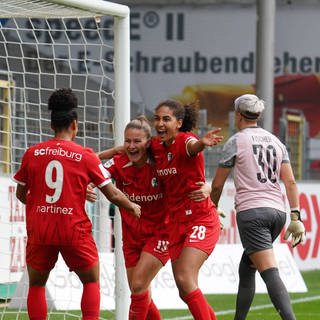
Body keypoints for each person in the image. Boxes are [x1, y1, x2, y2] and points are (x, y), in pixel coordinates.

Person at [13, 88, 141, 320]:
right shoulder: (85, 155)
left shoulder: (32, 153)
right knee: (90, 281)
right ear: (75, 124)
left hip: (41, 229)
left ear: (51, 125)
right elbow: (112, 194)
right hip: (73, 230)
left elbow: (21, 194)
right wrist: (132, 206)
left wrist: (42, 206)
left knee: (37, 285)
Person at [86, 116, 212, 320]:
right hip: (131, 237)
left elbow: (188, 180)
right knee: (140, 291)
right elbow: (91, 171)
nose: (131, 146)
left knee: (138, 285)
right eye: (128, 141)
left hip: (161, 232)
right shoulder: (118, 162)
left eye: (137, 141)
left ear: (149, 143)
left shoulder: (160, 164)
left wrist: (206, 188)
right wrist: (89, 185)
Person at [210, 94, 306, 320]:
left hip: (252, 213)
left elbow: (217, 184)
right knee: (247, 267)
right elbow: (290, 181)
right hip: (277, 213)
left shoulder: (236, 141)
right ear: (258, 115)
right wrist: (295, 216)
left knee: (269, 272)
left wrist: (212, 208)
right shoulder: (276, 142)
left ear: (238, 115)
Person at [151, 99, 223, 320]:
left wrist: (202, 143)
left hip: (200, 219)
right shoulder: (155, 146)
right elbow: (129, 149)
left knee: (184, 278)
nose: (160, 123)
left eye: (166, 119)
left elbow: (193, 147)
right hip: (175, 223)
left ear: (179, 123)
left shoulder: (185, 140)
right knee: (184, 290)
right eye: (157, 119)